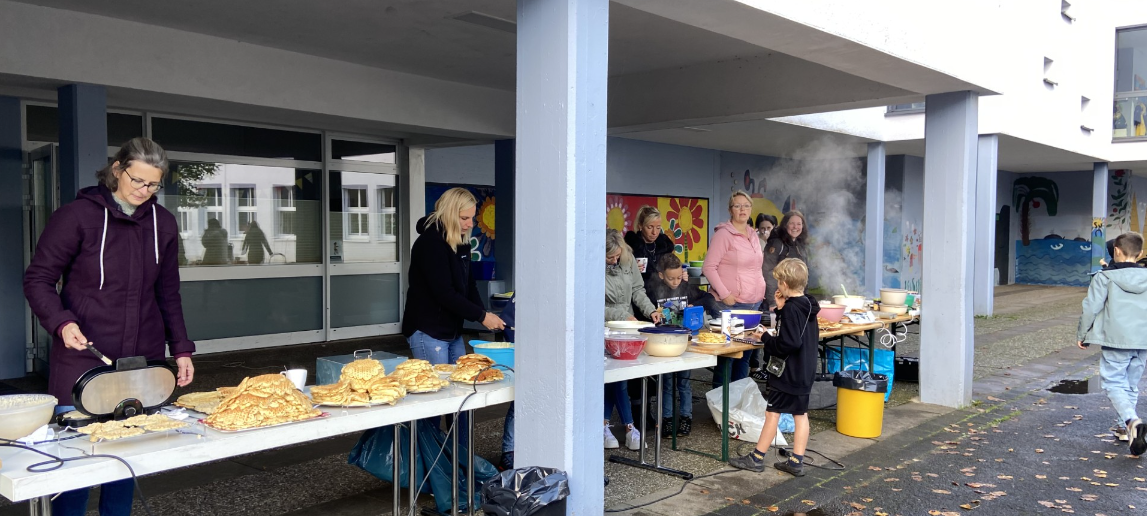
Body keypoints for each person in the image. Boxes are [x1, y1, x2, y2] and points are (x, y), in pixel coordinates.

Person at [24, 137, 195, 516]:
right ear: (117, 170)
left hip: (141, 359)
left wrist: (181, 347)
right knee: (77, 464)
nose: (144, 191)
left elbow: (168, 292)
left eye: (153, 185)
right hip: (82, 355)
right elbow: (37, 278)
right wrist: (61, 322)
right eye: (137, 181)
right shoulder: (76, 217)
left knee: (124, 463)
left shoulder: (162, 223)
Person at [728, 258, 820, 476]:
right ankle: (797, 461)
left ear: (785, 285)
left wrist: (767, 338)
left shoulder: (791, 309)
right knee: (801, 414)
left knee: (772, 413)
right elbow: (796, 331)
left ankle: (757, 457)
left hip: (787, 371)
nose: (777, 286)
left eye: (778, 282)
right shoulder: (808, 303)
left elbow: (790, 342)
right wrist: (779, 308)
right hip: (805, 370)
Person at [1077, 232, 1147, 456]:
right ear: (1141, 253)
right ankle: (1124, 429)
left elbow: (1091, 307)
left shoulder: (1104, 277)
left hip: (1116, 338)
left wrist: (1083, 333)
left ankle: (1130, 420)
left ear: (1116, 250)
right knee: (1131, 384)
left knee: (1113, 383)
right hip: (1143, 340)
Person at [644, 253, 718, 437]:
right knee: (667, 384)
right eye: (671, 278)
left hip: (684, 343)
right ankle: (667, 420)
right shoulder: (652, 290)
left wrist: (693, 304)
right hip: (663, 344)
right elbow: (642, 310)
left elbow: (709, 299)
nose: (676, 282)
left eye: (679, 277)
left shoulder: (685, 287)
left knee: (684, 383)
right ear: (661, 275)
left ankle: (686, 418)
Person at [605, 229, 662, 450]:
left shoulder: (627, 260)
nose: (615, 260)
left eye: (617, 256)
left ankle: (609, 426)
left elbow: (638, 290)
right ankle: (629, 427)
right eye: (610, 257)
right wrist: (621, 315)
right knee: (615, 379)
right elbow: (590, 302)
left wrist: (650, 311)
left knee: (619, 378)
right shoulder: (591, 265)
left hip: (627, 327)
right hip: (605, 328)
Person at [702, 191, 766, 388]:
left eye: (746, 206)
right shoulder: (723, 235)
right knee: (728, 356)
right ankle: (720, 403)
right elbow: (708, 267)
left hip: (754, 303)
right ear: (730, 210)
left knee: (745, 356)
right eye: (737, 206)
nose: (742, 210)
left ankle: (738, 402)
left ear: (751, 209)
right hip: (732, 303)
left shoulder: (753, 235)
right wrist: (725, 294)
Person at [748, 213, 778, 380]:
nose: (765, 231)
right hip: (758, 293)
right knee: (754, 331)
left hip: (772, 295)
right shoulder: (755, 243)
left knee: (770, 330)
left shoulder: (778, 244)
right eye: (762, 228)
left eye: (769, 228)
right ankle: (754, 367)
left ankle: (768, 368)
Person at [763, 210, 810, 311]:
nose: (795, 227)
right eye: (792, 223)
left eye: (799, 224)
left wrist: (805, 298)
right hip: (779, 299)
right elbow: (768, 272)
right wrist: (772, 301)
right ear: (785, 225)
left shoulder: (801, 244)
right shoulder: (776, 243)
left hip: (796, 300)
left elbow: (805, 274)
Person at [625, 205, 676, 283]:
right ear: (640, 226)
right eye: (650, 227)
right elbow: (620, 274)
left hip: (663, 290)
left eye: (658, 228)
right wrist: (632, 270)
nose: (654, 232)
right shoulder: (630, 246)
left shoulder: (665, 246)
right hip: (638, 290)